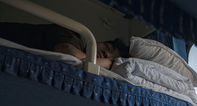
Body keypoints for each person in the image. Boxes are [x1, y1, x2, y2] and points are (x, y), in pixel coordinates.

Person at [0, 22, 129, 69]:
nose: (106, 54)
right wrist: (110, 62)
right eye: (108, 48)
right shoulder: (75, 35)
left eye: (110, 57)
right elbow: (70, 55)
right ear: (99, 42)